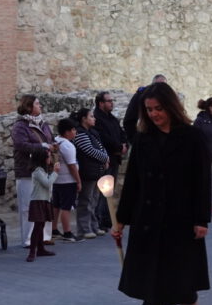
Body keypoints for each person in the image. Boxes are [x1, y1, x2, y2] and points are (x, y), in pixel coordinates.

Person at [112, 83, 211, 305]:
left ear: (170, 107)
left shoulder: (192, 137)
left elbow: (202, 181)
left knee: (182, 285)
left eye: (158, 108)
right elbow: (133, 182)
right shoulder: (143, 140)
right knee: (151, 286)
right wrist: (121, 220)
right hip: (148, 222)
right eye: (149, 110)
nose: (154, 114)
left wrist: (201, 219)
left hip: (181, 222)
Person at [12, 95, 57, 247]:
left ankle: (44, 236)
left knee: (45, 202)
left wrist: (53, 145)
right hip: (27, 170)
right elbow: (21, 145)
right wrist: (43, 147)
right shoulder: (20, 126)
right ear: (29, 106)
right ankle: (29, 239)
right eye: (37, 104)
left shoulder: (43, 123)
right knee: (28, 206)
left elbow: (50, 139)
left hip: (45, 169)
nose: (40, 106)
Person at [72, 108, 109, 239]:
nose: (94, 118)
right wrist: (105, 158)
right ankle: (84, 229)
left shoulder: (92, 132)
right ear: (84, 119)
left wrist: (106, 157)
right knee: (85, 201)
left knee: (93, 200)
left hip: (96, 172)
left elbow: (101, 147)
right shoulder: (80, 133)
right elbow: (89, 150)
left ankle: (93, 226)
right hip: (87, 172)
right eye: (91, 116)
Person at [93, 92, 127, 232]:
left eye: (112, 100)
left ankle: (108, 219)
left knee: (110, 191)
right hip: (105, 159)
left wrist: (124, 145)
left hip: (115, 158)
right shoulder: (97, 119)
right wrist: (118, 147)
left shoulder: (112, 118)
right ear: (101, 103)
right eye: (108, 101)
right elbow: (103, 138)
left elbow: (121, 133)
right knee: (102, 191)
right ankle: (100, 220)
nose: (111, 103)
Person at [51, 117, 82, 242]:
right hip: (67, 180)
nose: (75, 132)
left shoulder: (56, 141)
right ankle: (67, 232)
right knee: (66, 207)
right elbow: (72, 166)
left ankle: (53, 230)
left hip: (56, 180)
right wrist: (78, 181)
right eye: (73, 130)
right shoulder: (68, 146)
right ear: (67, 132)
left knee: (56, 205)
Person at [26, 147, 59, 262]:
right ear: (42, 158)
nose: (50, 158)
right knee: (37, 227)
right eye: (48, 156)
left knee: (41, 226)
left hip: (44, 200)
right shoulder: (38, 171)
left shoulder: (42, 170)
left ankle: (40, 249)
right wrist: (55, 172)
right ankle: (32, 251)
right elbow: (47, 183)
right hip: (38, 201)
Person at [123, 74, 167, 142]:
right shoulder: (141, 96)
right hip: (148, 138)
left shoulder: (168, 98)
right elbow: (129, 121)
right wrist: (136, 142)